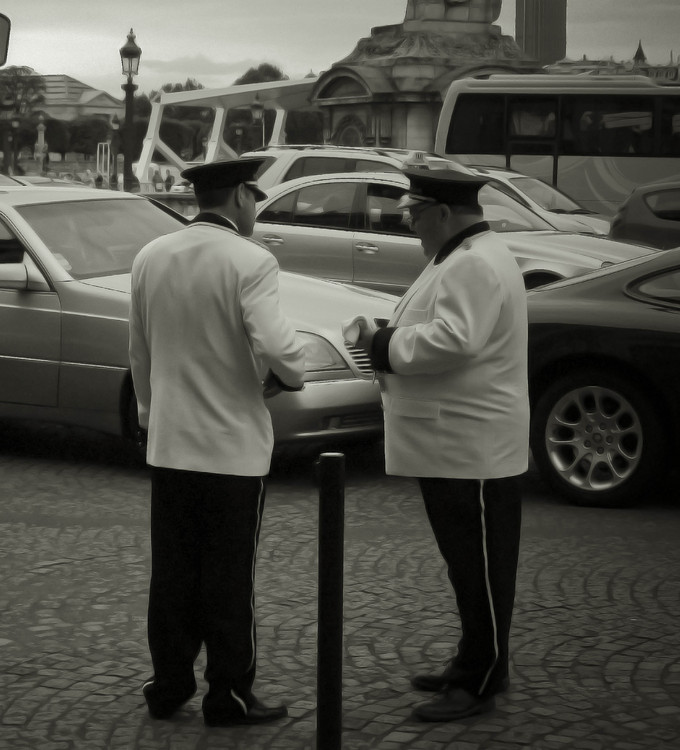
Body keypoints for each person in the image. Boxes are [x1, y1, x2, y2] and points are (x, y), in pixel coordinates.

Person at [345, 166, 528, 723]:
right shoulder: (464, 256)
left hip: (470, 445)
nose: (410, 225)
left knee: (479, 568)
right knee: (467, 565)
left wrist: (384, 343)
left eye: (413, 214)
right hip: (459, 442)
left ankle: (480, 678)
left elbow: (456, 339)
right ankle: (476, 658)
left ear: (443, 213)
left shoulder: (471, 262)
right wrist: (392, 333)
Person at [128, 157, 305, 727]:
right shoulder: (252, 260)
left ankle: (169, 684)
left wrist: (151, 418)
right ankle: (228, 693)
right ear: (240, 197)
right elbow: (278, 346)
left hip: (172, 444)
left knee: (173, 573)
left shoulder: (150, 256)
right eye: (255, 196)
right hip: (232, 449)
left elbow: (140, 354)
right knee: (229, 577)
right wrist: (292, 375)